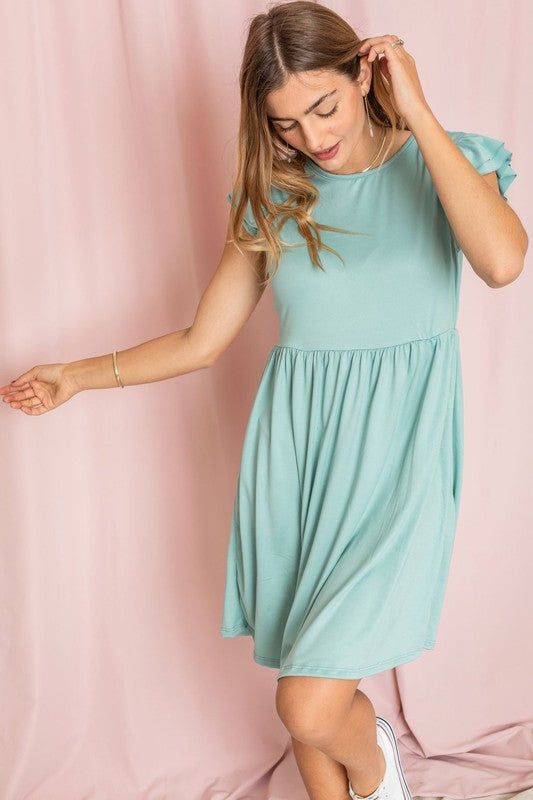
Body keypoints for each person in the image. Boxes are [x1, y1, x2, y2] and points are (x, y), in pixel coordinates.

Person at [0, 2, 527, 799]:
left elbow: (500, 262)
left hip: (397, 461)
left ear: (364, 74)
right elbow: (199, 342)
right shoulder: (276, 199)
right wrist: (77, 374)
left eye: (324, 107)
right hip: (295, 461)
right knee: (303, 689)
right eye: (285, 124)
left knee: (309, 704)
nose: (312, 137)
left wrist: (416, 110)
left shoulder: (445, 161)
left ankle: (379, 760)